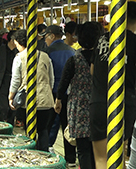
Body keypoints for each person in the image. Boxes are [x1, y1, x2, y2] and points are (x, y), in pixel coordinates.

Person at [90, 2, 136, 168]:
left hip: (98, 102)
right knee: (119, 158)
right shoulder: (134, 41)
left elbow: (92, 71)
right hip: (125, 103)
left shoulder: (102, 39)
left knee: (102, 159)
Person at [55, 22, 101, 169]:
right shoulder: (103, 60)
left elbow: (64, 82)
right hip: (98, 106)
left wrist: (58, 100)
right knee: (98, 149)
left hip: (78, 107)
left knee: (82, 149)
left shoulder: (74, 59)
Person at [8, 29, 55, 152]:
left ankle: (31, 154)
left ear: (18, 42)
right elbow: (51, 79)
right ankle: (44, 154)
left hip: (27, 100)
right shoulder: (45, 56)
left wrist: (11, 96)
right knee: (43, 129)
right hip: (46, 100)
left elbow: (15, 80)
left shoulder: (19, 58)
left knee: (29, 129)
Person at [44, 25, 76, 167]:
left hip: (53, 92)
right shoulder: (72, 51)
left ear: (51, 36)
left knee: (50, 124)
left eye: (45, 37)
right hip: (70, 93)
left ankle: (48, 151)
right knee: (68, 126)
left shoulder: (48, 52)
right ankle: (70, 159)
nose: (45, 40)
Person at [0, 30, 18, 124]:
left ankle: (10, 125)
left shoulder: (18, 52)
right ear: (12, 40)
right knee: (3, 106)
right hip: (2, 81)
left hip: (14, 81)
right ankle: (1, 123)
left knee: (13, 107)